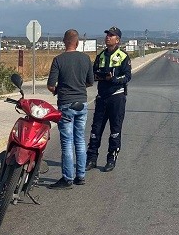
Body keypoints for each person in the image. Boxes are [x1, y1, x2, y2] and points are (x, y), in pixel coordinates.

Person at [46, 29, 94, 189]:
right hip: (82, 104)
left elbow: (50, 85)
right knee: (80, 140)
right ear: (77, 43)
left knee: (67, 142)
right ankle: (81, 176)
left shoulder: (58, 60)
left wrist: (58, 90)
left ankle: (67, 178)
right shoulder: (86, 59)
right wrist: (79, 86)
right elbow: (90, 82)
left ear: (64, 42)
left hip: (66, 104)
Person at [86, 26, 131, 172]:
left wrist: (113, 79)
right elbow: (93, 73)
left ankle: (111, 159)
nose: (108, 37)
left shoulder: (123, 56)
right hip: (102, 97)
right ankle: (91, 158)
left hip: (117, 97)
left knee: (115, 130)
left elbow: (127, 76)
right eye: (107, 35)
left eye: (111, 35)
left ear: (117, 40)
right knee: (95, 129)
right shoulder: (101, 56)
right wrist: (97, 77)